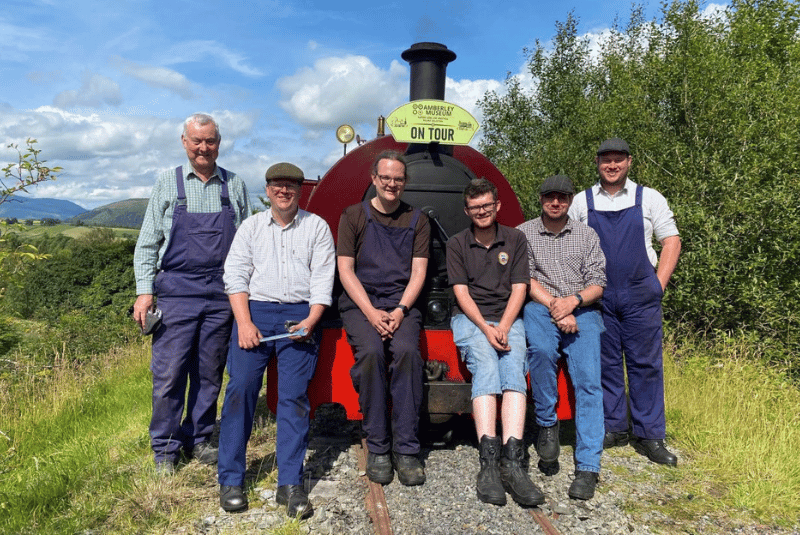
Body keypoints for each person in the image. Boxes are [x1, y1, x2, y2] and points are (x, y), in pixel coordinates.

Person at [133, 113, 251, 474]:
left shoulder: (235, 185)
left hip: (221, 293)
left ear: (219, 142)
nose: (204, 148)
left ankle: (198, 438)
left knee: (209, 371)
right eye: (196, 141)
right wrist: (144, 293)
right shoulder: (168, 183)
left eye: (210, 141)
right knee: (169, 374)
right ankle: (165, 450)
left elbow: (248, 244)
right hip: (177, 292)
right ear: (184, 141)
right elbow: (147, 243)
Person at [217, 163, 335, 518]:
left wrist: (312, 320)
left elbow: (323, 278)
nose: (284, 191)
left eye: (291, 186)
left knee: (294, 399)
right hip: (255, 314)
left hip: (300, 316)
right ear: (267, 190)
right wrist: (245, 323)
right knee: (240, 391)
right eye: (277, 186)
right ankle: (232, 480)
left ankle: (290, 483)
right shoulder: (251, 227)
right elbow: (235, 275)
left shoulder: (317, 227)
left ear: (301, 191)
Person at [569, 137, 681, 466]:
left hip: (639, 295)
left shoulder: (649, 198)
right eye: (606, 160)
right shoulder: (581, 201)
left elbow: (671, 241)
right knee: (605, 364)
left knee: (646, 365)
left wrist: (657, 285)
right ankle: (615, 428)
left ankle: (650, 435)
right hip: (599, 295)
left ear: (629, 162)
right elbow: (570, 247)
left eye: (619, 159)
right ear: (597, 162)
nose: (612, 165)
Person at [446, 178, 544, 507]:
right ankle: (488, 466)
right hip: (470, 319)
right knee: (486, 365)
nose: (482, 212)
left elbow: (520, 287)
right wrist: (487, 330)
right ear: (467, 210)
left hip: (508, 317)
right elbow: (461, 292)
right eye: (475, 208)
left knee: (514, 366)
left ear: (497, 206)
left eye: (487, 206)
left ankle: (513, 464)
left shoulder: (515, 239)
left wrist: (503, 325)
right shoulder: (457, 244)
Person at [337, 150, 430, 486]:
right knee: (373, 353)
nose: (392, 183)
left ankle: (406, 449)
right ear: (374, 179)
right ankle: (377, 446)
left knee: (407, 354)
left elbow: (419, 272)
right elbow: (345, 269)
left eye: (398, 179)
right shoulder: (353, 216)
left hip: (401, 304)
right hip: (362, 303)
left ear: (404, 183)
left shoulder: (418, 220)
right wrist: (371, 312)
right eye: (386, 177)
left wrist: (400, 310)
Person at [517, 175, 606, 500]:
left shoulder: (586, 235)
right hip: (542, 307)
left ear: (570, 201)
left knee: (589, 382)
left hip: (583, 309)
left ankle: (587, 467)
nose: (556, 202)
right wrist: (557, 305)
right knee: (539, 351)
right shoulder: (524, 233)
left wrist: (573, 302)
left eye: (562, 197)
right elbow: (525, 278)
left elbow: (598, 282)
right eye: (550, 197)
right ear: (540, 199)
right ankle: (547, 424)